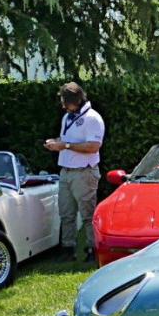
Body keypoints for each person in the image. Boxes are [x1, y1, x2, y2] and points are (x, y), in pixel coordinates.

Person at [45, 82, 105, 261]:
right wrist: (56, 142)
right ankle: (68, 249)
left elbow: (93, 146)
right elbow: (67, 139)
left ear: (77, 100)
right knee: (66, 213)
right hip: (66, 171)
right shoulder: (67, 117)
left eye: (66, 102)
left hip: (84, 172)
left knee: (88, 214)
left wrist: (65, 146)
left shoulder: (92, 118)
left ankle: (93, 250)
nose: (63, 106)